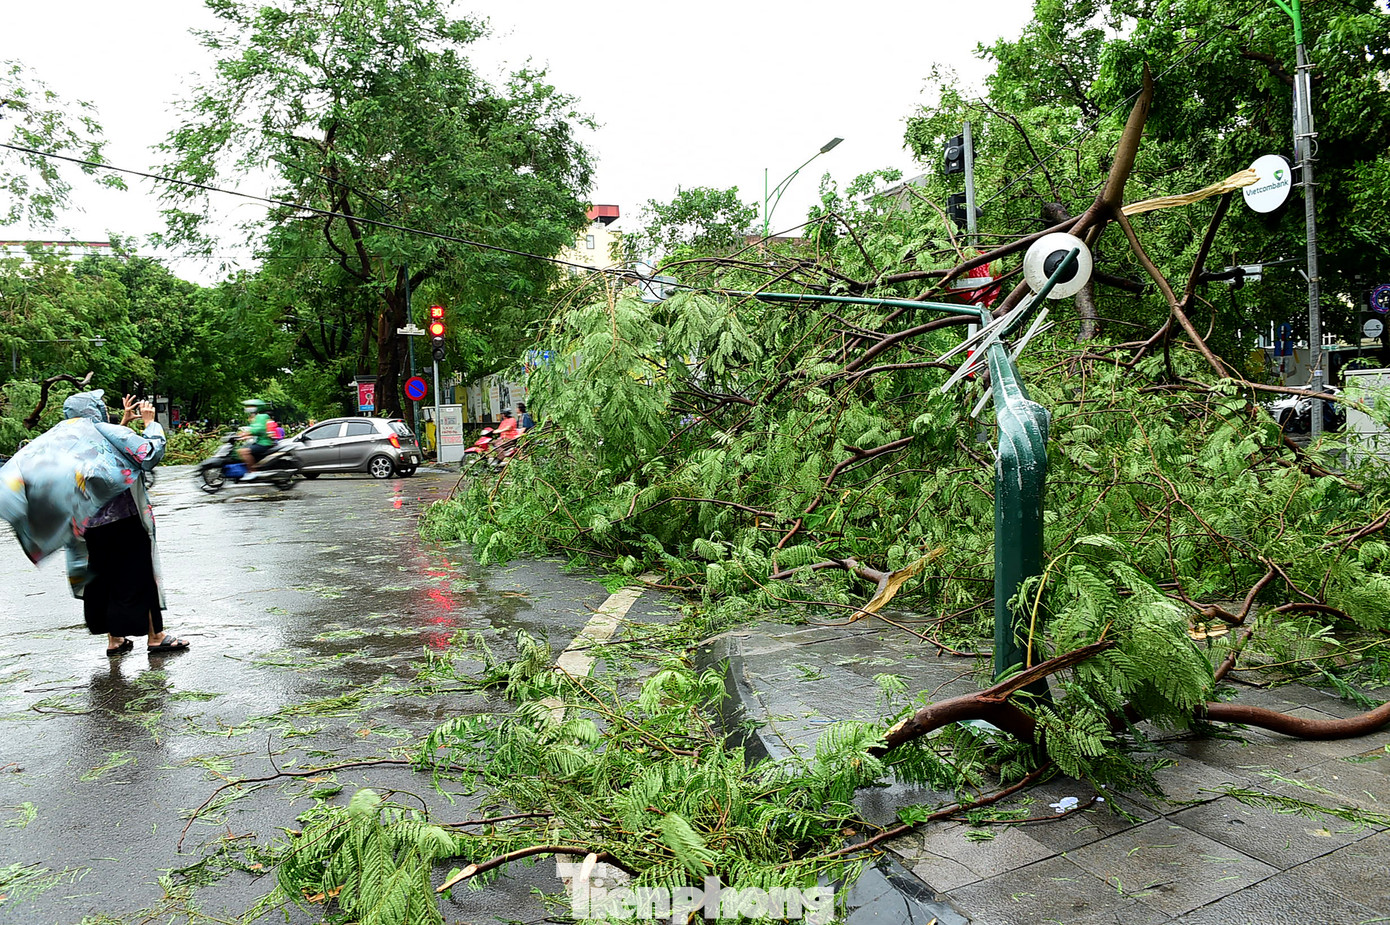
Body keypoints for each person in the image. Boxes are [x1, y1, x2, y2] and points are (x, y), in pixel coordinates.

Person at [0, 389, 189, 656]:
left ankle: (115, 639)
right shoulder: (102, 430)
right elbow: (148, 454)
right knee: (140, 577)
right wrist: (150, 423)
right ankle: (156, 636)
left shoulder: (58, 438)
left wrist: (122, 423)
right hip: (125, 522)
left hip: (89, 528)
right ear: (94, 410)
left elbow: (97, 453)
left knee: (104, 581)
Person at [237, 398, 275, 477]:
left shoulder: (262, 416)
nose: (248, 408)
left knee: (244, 451)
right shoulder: (254, 417)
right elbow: (253, 431)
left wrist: (245, 434)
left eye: (251, 406)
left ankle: (253, 471)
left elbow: (258, 429)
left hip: (264, 443)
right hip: (258, 441)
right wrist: (243, 436)